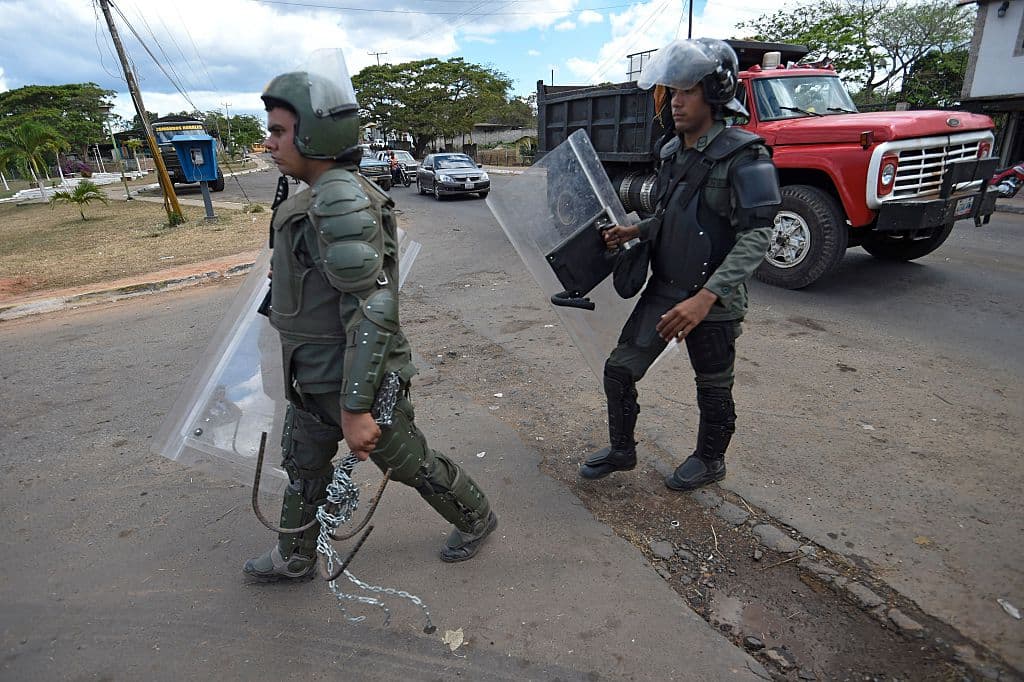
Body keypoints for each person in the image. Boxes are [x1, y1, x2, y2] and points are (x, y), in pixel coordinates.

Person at [244, 53, 497, 581]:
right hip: (313, 376)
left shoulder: (339, 199)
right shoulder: (315, 196)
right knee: (304, 469)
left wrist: (357, 408)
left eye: (278, 131)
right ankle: (294, 558)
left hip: (354, 380)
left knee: (409, 463)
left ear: (311, 133)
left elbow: (372, 308)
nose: (268, 143)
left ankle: (476, 517)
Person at [579, 38, 781, 491]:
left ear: (715, 91)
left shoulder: (746, 155)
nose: (676, 101)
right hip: (667, 287)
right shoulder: (673, 153)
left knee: (712, 383)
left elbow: (757, 236)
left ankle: (710, 461)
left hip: (715, 296)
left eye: (687, 91)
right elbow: (674, 216)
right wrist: (637, 230)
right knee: (620, 369)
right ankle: (622, 450)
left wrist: (706, 299)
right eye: (671, 92)